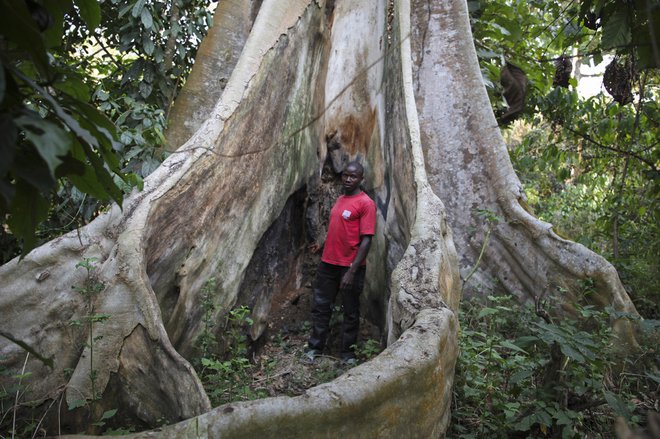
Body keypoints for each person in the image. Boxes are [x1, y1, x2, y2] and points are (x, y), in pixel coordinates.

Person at [305, 161, 377, 364]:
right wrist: (321, 243)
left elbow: (366, 240)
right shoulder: (341, 199)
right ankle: (314, 348)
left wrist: (351, 272)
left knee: (350, 310)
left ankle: (347, 354)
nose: (348, 179)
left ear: (361, 179)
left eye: (353, 176)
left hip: (350, 267)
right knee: (321, 307)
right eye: (345, 175)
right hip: (328, 263)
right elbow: (337, 228)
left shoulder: (365, 204)